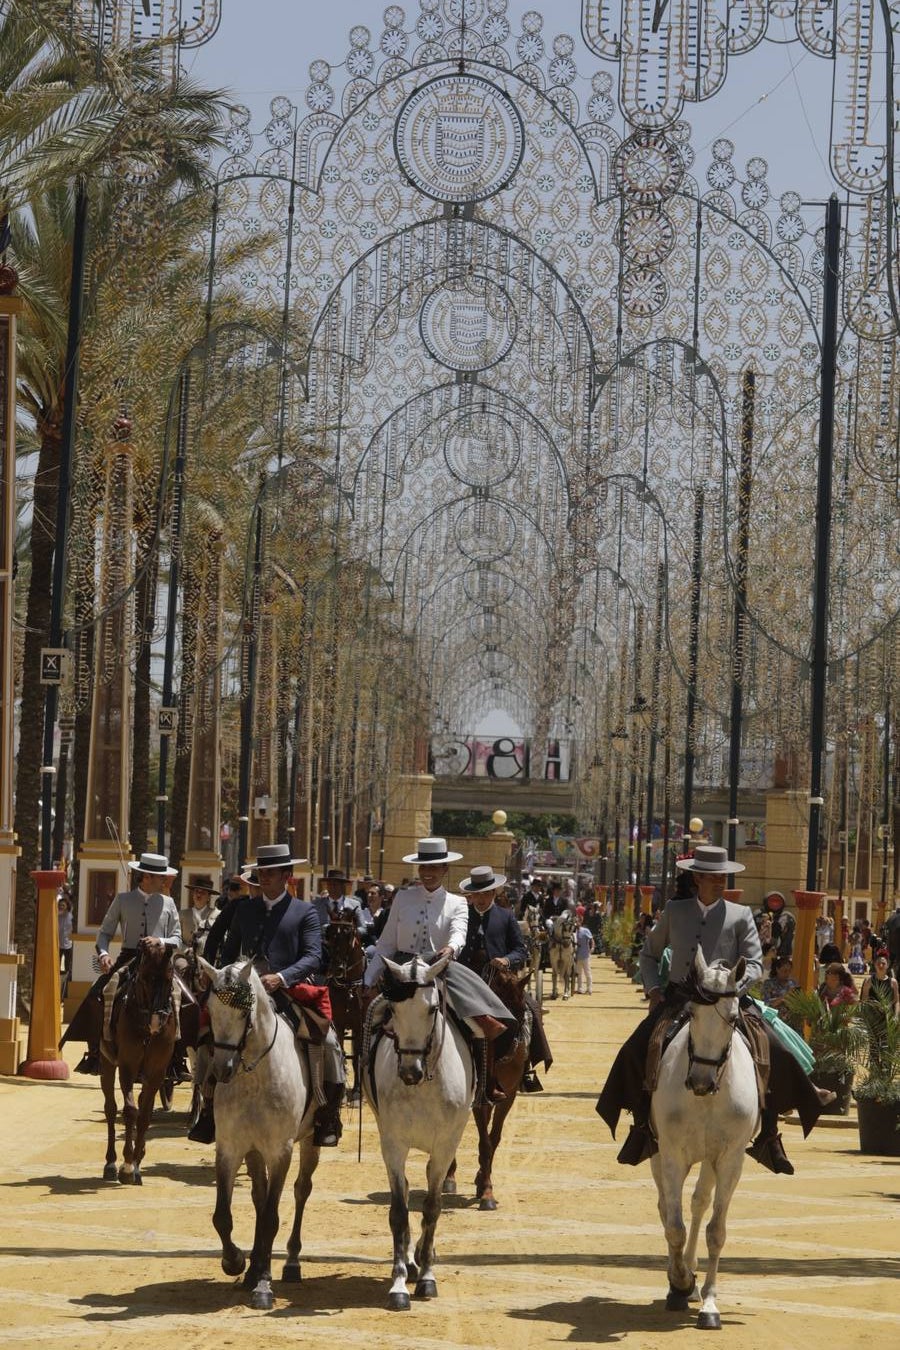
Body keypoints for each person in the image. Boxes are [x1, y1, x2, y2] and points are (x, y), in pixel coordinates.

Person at [595, 844, 832, 1176]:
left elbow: (753, 963)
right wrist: (652, 989)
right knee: (637, 1048)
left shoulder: (740, 915)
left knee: (771, 1046)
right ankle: (641, 1128)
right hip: (680, 999)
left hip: (726, 998)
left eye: (723, 876)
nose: (720, 882)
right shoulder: (674, 911)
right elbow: (649, 955)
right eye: (713, 877)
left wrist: (734, 988)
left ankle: (769, 1133)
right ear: (697, 878)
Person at [190, 843, 344, 1148]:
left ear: (286, 874)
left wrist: (282, 976)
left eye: (271, 872)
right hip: (244, 991)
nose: (265, 877)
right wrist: (224, 978)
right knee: (210, 1033)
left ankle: (327, 1113)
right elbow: (229, 950)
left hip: (288, 990)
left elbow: (314, 956)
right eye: (261, 872)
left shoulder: (305, 911)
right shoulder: (244, 909)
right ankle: (208, 1108)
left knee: (327, 1041)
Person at [364, 839, 518, 1092]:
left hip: (439, 967)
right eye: (424, 867)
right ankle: (364, 1077)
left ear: (445, 869)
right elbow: (386, 942)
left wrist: (452, 948)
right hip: (402, 970)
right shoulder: (403, 898)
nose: (428, 873)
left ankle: (484, 1081)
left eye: (434, 867)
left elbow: (458, 932)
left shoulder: (457, 903)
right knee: (370, 1014)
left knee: (479, 1021)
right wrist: (368, 979)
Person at [63, 852, 182, 1073]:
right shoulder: (123, 900)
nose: (164, 881)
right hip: (129, 958)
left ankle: (176, 1057)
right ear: (146, 877)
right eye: (160, 877)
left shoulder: (169, 903)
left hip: (159, 963)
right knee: (97, 993)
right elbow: (104, 934)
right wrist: (104, 955)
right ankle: (96, 1051)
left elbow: (178, 938)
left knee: (183, 998)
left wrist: (160, 940)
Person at [457, 864, 552, 1096]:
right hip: (465, 979)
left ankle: (527, 1068)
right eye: (475, 894)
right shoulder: (461, 914)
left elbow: (521, 950)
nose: (479, 898)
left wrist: (507, 960)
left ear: (494, 893)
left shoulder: (506, 916)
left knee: (530, 1007)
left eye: (484, 893)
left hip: (498, 980)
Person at [313, 867, 368, 937]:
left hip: (346, 945)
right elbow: (310, 928)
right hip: (322, 945)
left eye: (335, 885)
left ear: (342, 886)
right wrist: (325, 929)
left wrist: (352, 931)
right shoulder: (316, 905)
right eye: (329, 884)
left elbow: (363, 929)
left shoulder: (354, 905)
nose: (332, 887)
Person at [179, 875, 221, 950]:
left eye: (203, 892)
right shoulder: (182, 914)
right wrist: (186, 950)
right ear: (192, 894)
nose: (198, 894)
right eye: (196, 891)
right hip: (185, 956)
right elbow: (177, 938)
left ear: (209, 897)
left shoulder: (217, 914)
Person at [860, 949, 900, 1017]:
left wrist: (895, 1017)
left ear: (888, 965)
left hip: (888, 1019)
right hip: (872, 1018)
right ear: (875, 965)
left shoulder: (893, 982)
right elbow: (864, 1002)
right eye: (878, 963)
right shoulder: (868, 981)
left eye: (883, 963)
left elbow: (896, 1002)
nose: (881, 965)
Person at [57, 891, 74, 994]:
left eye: (63, 905)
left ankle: (65, 990)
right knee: (57, 966)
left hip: (68, 945)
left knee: (68, 968)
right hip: (58, 945)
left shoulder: (70, 916)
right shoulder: (57, 916)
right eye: (60, 905)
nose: (61, 907)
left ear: (67, 906)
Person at [574, 920, 595, 994]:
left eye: (578, 922)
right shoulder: (573, 932)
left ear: (580, 923)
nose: (576, 924)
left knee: (587, 973)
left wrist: (592, 947)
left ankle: (589, 988)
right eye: (575, 922)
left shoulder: (585, 930)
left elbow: (591, 939)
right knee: (578, 973)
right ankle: (580, 988)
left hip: (585, 955)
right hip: (577, 956)